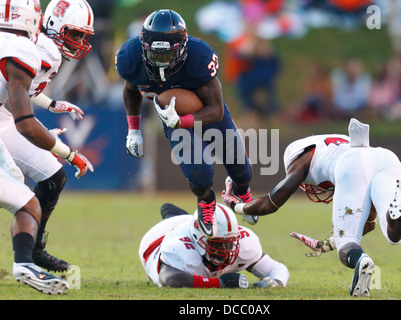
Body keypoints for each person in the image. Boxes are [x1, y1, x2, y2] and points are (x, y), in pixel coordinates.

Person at [222, 118, 401, 297]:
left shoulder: (301, 158)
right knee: (393, 235)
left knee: (347, 244)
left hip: (351, 164)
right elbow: (369, 223)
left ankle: (360, 260)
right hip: (386, 158)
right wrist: (326, 244)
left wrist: (237, 205)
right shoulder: (342, 151)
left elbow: (272, 202)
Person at [115, 9, 255, 239]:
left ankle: (238, 191)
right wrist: (133, 130)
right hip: (173, 119)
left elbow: (216, 110)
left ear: (182, 47)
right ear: (143, 46)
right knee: (200, 174)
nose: (161, 62)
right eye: (155, 55)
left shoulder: (199, 57)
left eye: (167, 55)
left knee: (242, 169)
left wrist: (184, 119)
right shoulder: (130, 57)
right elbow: (131, 89)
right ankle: (206, 204)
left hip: (205, 113)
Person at [0, 0, 95, 273]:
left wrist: (53, 105)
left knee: (53, 177)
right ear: (52, 24)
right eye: (74, 34)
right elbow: (19, 99)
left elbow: (22, 87)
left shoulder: (40, 47)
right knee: (18, 189)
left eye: (82, 36)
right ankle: (27, 258)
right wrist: (62, 148)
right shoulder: (44, 50)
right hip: (7, 118)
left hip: (8, 115)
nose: (78, 42)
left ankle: (33, 251)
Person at [138, 202, 289, 288]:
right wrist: (220, 283)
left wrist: (275, 282)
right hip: (158, 237)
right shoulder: (179, 248)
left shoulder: (244, 243)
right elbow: (169, 279)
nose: (226, 250)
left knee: (184, 217)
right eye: (218, 244)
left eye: (229, 244)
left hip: (191, 223)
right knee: (172, 216)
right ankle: (168, 211)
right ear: (199, 240)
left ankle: (171, 211)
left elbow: (278, 268)